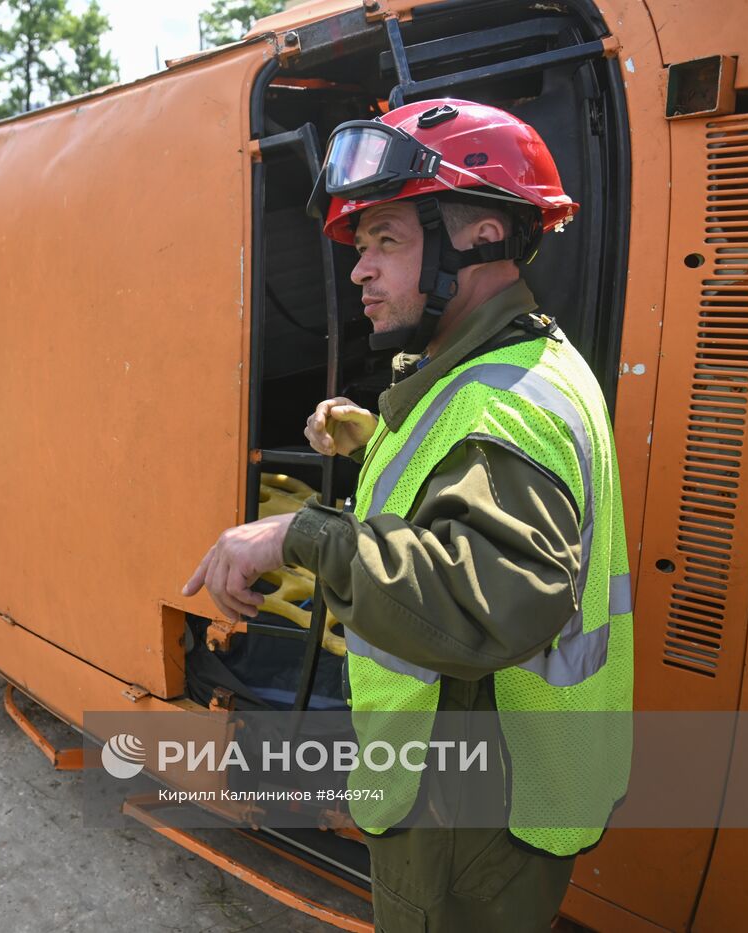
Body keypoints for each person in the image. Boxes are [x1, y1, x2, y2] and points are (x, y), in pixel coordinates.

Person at [181, 99, 633, 931]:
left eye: (386, 240)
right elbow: (460, 487)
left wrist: (296, 531)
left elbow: (490, 598)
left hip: (471, 803)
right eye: (361, 248)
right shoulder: (522, 360)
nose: (360, 271)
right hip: (503, 777)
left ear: (481, 239)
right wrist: (374, 438)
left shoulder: (504, 405)